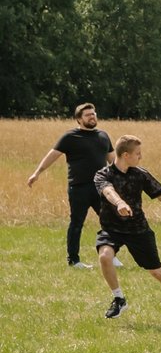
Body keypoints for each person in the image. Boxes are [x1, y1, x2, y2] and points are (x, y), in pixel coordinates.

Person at [90, 134, 161, 321]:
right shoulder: (103, 174)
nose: (140, 157)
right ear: (126, 155)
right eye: (138, 154)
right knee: (104, 256)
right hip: (112, 228)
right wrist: (119, 203)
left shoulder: (140, 174)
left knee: (156, 271)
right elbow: (107, 191)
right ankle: (119, 299)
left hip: (138, 230)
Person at [27, 103, 115, 268]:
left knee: (109, 221)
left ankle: (109, 254)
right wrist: (37, 172)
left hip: (101, 187)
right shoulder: (70, 137)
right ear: (79, 119)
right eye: (88, 115)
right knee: (76, 223)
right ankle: (74, 260)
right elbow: (52, 155)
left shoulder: (103, 136)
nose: (92, 116)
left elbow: (113, 162)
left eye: (93, 113)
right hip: (79, 188)